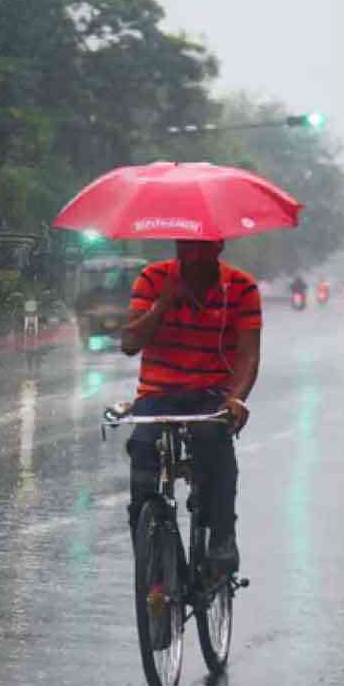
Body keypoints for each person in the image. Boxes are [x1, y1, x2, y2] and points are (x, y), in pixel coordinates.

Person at [120, 238, 261, 576]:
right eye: (186, 248)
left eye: (202, 249)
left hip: (210, 393)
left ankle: (222, 536)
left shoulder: (241, 287)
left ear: (218, 247)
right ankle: (149, 550)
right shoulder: (153, 279)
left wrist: (236, 399)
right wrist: (162, 304)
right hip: (157, 393)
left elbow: (249, 355)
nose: (193, 257)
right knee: (142, 448)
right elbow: (129, 343)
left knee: (214, 442)